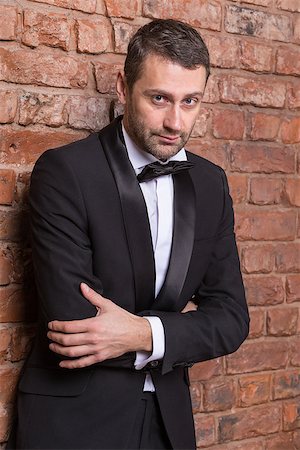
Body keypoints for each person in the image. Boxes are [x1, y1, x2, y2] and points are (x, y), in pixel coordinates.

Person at [10, 19, 249, 450]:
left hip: (170, 424)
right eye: (159, 98)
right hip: (73, 423)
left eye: (190, 101)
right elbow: (74, 326)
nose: (176, 122)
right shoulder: (66, 172)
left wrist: (143, 334)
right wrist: (182, 330)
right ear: (123, 86)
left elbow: (232, 320)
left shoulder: (211, 184)